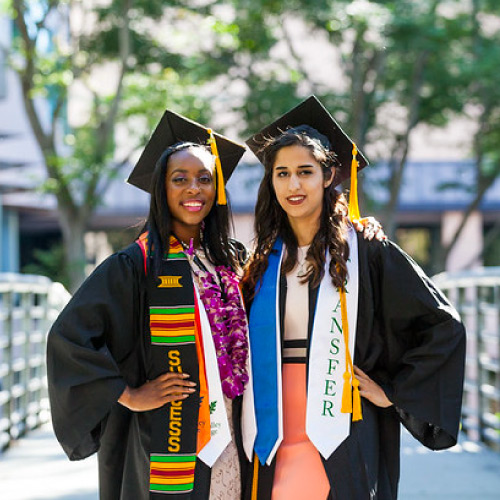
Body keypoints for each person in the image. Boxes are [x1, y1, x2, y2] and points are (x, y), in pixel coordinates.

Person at [238, 96, 466, 500]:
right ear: (270, 181)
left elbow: (441, 324)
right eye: (282, 173)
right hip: (270, 418)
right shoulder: (262, 261)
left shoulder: (366, 251)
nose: (293, 185)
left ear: (328, 177)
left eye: (305, 172)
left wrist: (392, 391)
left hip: (340, 418)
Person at [47, 110, 250, 500]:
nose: (194, 189)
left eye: (204, 179)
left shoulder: (228, 261)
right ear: (161, 189)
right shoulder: (136, 265)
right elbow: (69, 336)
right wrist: (128, 394)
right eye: (180, 179)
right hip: (165, 434)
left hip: (230, 430)